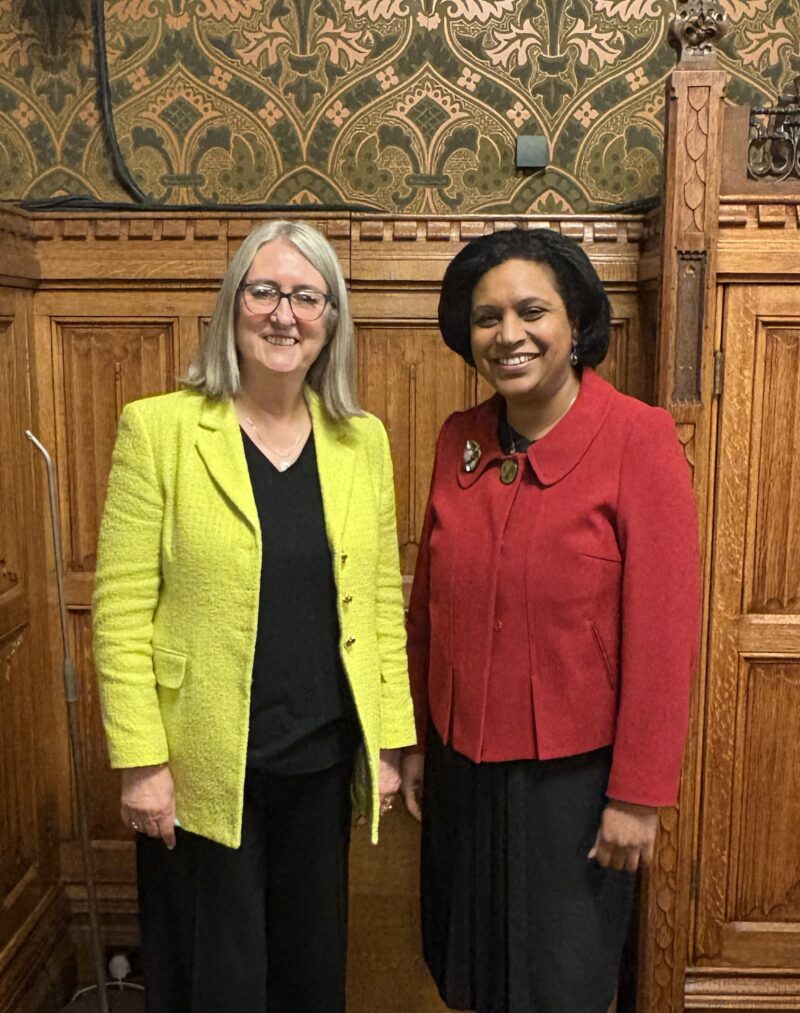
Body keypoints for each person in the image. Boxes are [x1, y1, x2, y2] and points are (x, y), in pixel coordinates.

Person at [93, 220, 416, 1013]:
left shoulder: (360, 441)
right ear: (232, 307)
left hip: (320, 761)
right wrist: (141, 762)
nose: (285, 313)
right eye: (265, 290)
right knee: (217, 982)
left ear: (330, 319)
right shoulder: (159, 428)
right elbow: (121, 608)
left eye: (307, 296)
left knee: (310, 978)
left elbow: (377, 601)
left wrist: (389, 741)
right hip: (201, 769)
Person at [400, 227, 700, 1013]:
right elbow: (428, 607)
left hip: (576, 780)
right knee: (469, 969)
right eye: (487, 317)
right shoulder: (458, 440)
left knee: (561, 982)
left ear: (576, 326)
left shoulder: (640, 438)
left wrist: (638, 795)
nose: (509, 334)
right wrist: (422, 739)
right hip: (464, 767)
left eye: (532, 311)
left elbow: (664, 636)